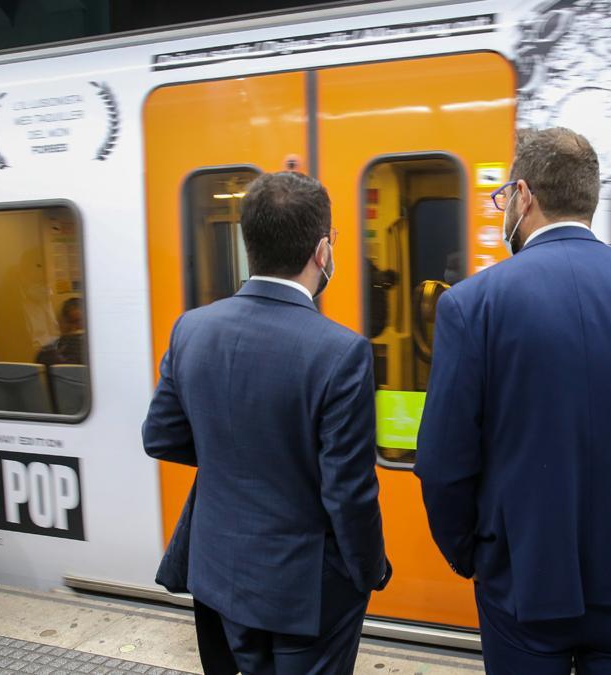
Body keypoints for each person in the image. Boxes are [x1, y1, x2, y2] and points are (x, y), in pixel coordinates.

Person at [415, 128, 611, 674]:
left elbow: (444, 463)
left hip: (524, 577)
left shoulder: (472, 305)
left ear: (523, 195)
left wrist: (475, 555)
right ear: (588, 196)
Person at [143, 171, 390, 675]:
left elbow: (161, 435)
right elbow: (348, 492)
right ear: (323, 251)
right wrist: (368, 571)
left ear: (248, 243)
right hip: (303, 592)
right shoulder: (341, 352)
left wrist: (235, 451)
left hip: (215, 574)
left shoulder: (192, 328)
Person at [34, 297, 86, 367]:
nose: (74, 328)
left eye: (79, 321)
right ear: (61, 324)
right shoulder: (48, 352)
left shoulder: (96, 350)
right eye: (69, 322)